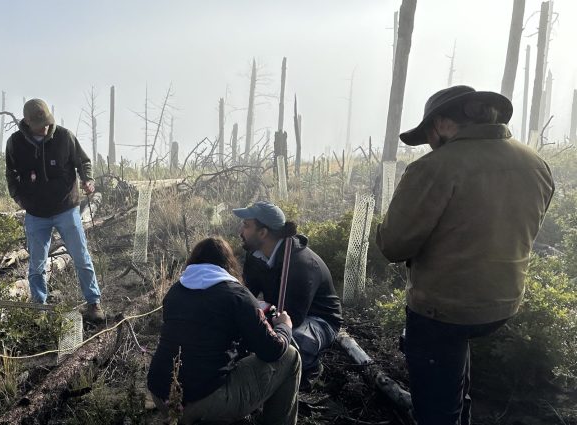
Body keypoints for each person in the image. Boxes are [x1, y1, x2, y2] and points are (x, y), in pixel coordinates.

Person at [376, 85, 555, 425]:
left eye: (429, 132)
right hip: (502, 302)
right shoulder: (536, 163)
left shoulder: (435, 168)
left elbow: (393, 245)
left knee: (436, 411)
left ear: (442, 123)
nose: (429, 142)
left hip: (442, 308)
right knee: (456, 367)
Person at [147, 237, 301, 425]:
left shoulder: (175, 291)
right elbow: (272, 350)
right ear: (229, 263)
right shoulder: (237, 295)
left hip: (161, 395)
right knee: (291, 357)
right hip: (205, 400)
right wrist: (284, 326)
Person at [4, 98, 103, 322]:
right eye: (40, 122)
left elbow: (83, 162)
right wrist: (19, 198)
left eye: (47, 121)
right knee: (37, 264)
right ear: (27, 122)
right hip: (36, 214)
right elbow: (11, 174)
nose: (45, 126)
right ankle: (40, 309)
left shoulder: (64, 137)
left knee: (81, 257)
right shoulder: (15, 143)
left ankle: (94, 303)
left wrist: (88, 180)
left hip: (66, 209)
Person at [235, 201, 342, 387]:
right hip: (282, 312)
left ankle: (310, 368)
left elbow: (295, 318)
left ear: (263, 232)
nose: (240, 231)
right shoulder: (255, 255)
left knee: (292, 344)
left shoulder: (301, 264)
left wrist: (262, 332)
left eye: (246, 225)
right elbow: (246, 296)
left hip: (318, 320)